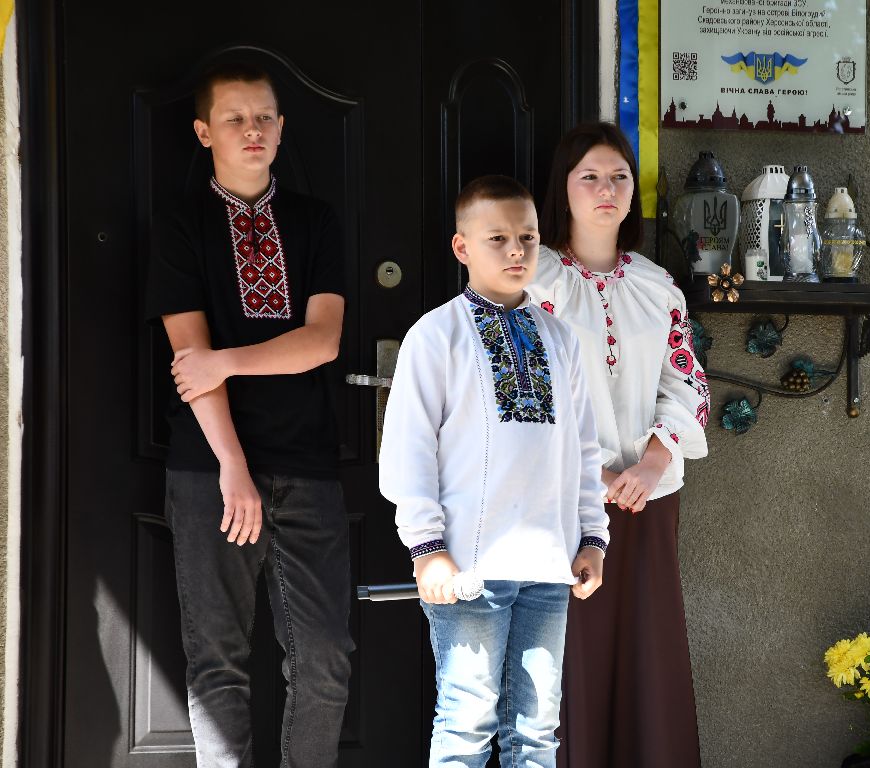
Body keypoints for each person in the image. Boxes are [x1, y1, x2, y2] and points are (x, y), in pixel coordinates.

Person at [144, 62, 353, 767]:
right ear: (204, 132)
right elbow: (189, 360)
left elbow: (321, 342)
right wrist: (232, 464)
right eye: (234, 118)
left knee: (325, 658)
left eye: (264, 116)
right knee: (217, 663)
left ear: (283, 127)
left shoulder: (315, 221)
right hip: (210, 470)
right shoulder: (181, 224)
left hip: (308, 466)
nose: (252, 130)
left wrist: (227, 361)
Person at [378, 175, 610, 768]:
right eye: (498, 238)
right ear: (462, 247)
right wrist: (427, 548)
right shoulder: (436, 335)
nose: (516, 251)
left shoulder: (561, 339)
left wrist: (592, 537)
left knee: (537, 732)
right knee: (466, 725)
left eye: (527, 238)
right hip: (468, 569)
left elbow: (584, 450)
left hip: (549, 568)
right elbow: (407, 451)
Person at [527, 122, 710, 768]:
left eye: (619, 177)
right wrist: (595, 477)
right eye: (590, 177)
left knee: (647, 650)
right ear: (564, 188)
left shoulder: (658, 286)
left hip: (647, 500)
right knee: (573, 656)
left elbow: (685, 380)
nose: (606, 190)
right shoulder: (534, 281)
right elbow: (525, 393)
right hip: (563, 502)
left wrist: (656, 459)